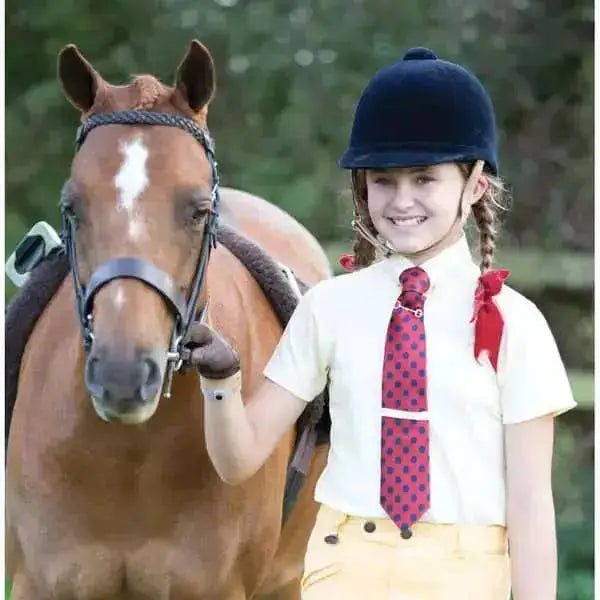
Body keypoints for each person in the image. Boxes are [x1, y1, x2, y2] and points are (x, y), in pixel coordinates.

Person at [189, 47, 576, 600]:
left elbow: (532, 501)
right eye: (383, 181)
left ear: (474, 186)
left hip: (465, 574)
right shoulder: (328, 307)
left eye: (425, 180)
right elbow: (238, 459)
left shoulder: (518, 324)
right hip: (344, 568)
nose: (401, 202)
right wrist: (221, 382)